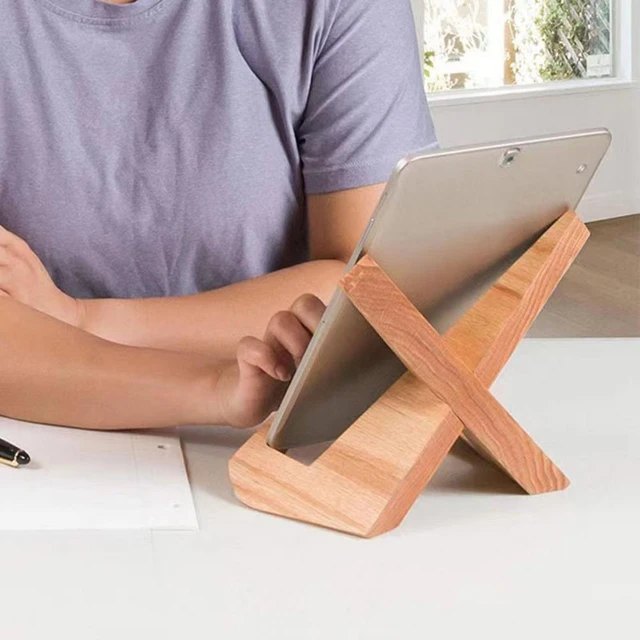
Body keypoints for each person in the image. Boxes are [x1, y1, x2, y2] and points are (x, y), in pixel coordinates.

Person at [0, 0, 437, 430]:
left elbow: (367, 292)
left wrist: (78, 318)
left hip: (278, 429)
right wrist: (213, 388)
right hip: (46, 438)